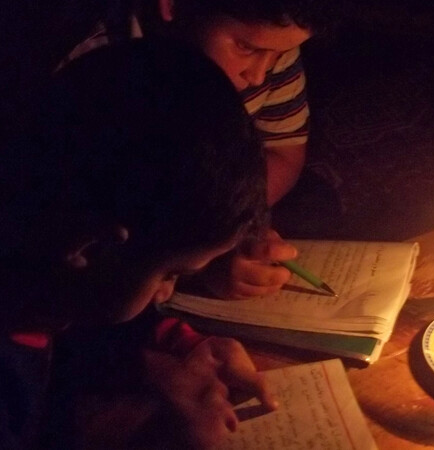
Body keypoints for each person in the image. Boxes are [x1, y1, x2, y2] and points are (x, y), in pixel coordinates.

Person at [0, 40, 276, 449]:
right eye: (173, 275)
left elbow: (88, 330)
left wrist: (180, 344)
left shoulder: (40, 285)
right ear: (92, 250)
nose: (167, 294)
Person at [57, 0, 338, 299]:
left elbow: (283, 151)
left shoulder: (268, 45)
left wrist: (230, 230)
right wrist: (197, 251)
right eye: (246, 47)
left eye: (280, 54)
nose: (259, 75)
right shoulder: (99, 69)